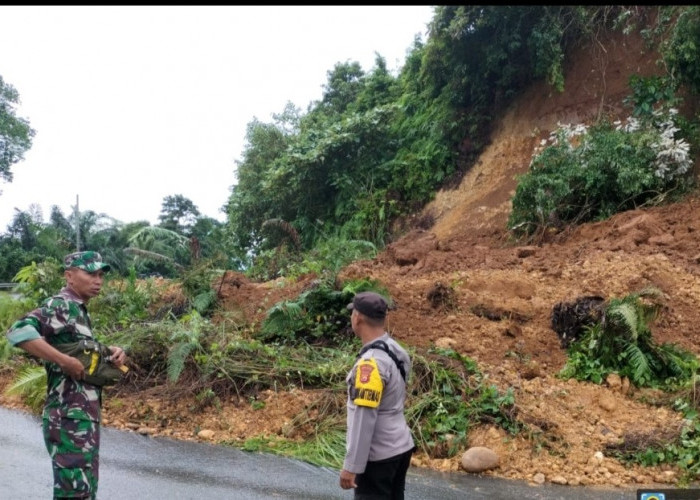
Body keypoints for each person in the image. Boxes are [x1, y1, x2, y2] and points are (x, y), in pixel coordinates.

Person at [5, 251, 126, 500]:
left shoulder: (78, 310)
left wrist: (112, 351)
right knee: (74, 493)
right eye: (90, 273)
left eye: (101, 275)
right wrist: (63, 361)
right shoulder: (60, 305)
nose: (98, 280)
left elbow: (78, 350)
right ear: (69, 276)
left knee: (84, 490)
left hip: (82, 417)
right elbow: (17, 332)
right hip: (68, 417)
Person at [339, 291, 416, 499]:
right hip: (400, 446)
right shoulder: (397, 350)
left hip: (378, 456)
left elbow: (364, 416)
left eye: (352, 313)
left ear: (358, 318)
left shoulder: (370, 364)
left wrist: (352, 465)